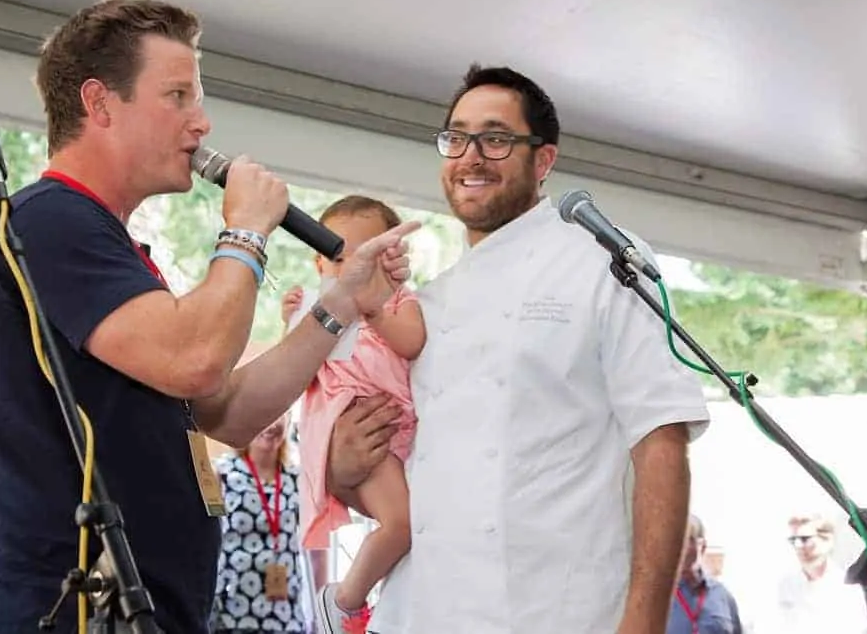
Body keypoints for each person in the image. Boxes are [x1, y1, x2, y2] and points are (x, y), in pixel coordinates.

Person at [0, 0, 417, 634]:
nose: (201, 124)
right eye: (178, 96)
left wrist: (342, 302)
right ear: (100, 104)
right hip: (74, 609)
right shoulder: (49, 220)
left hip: (136, 607)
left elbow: (225, 412)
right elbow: (196, 361)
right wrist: (248, 232)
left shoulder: (110, 246)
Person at [324, 64, 711, 634]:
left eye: (496, 139)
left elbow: (662, 441)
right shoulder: (430, 303)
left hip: (552, 613)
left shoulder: (603, 260)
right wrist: (338, 469)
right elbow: (419, 477)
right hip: (419, 612)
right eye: (456, 138)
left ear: (543, 160)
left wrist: (644, 621)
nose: (470, 156)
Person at [280, 196, 425, 634]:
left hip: (394, 431)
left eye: (370, 254)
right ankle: (344, 601)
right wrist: (290, 318)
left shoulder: (400, 301)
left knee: (402, 523)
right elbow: (290, 369)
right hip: (353, 422)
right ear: (320, 264)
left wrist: (375, 308)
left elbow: (412, 342)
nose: (353, 268)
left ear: (392, 257)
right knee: (401, 523)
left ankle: (361, 601)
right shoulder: (321, 310)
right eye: (340, 257)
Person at [209, 412, 310, 632]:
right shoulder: (222, 473)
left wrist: (321, 606)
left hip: (285, 611)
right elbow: (204, 542)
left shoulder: (298, 478)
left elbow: (316, 547)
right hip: (232, 609)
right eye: (264, 415)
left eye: (279, 416)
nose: (271, 424)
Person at [666, 515, 743, 634]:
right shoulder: (659, 595)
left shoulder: (721, 596)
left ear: (702, 546)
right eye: (676, 541)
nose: (682, 548)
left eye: (689, 540)